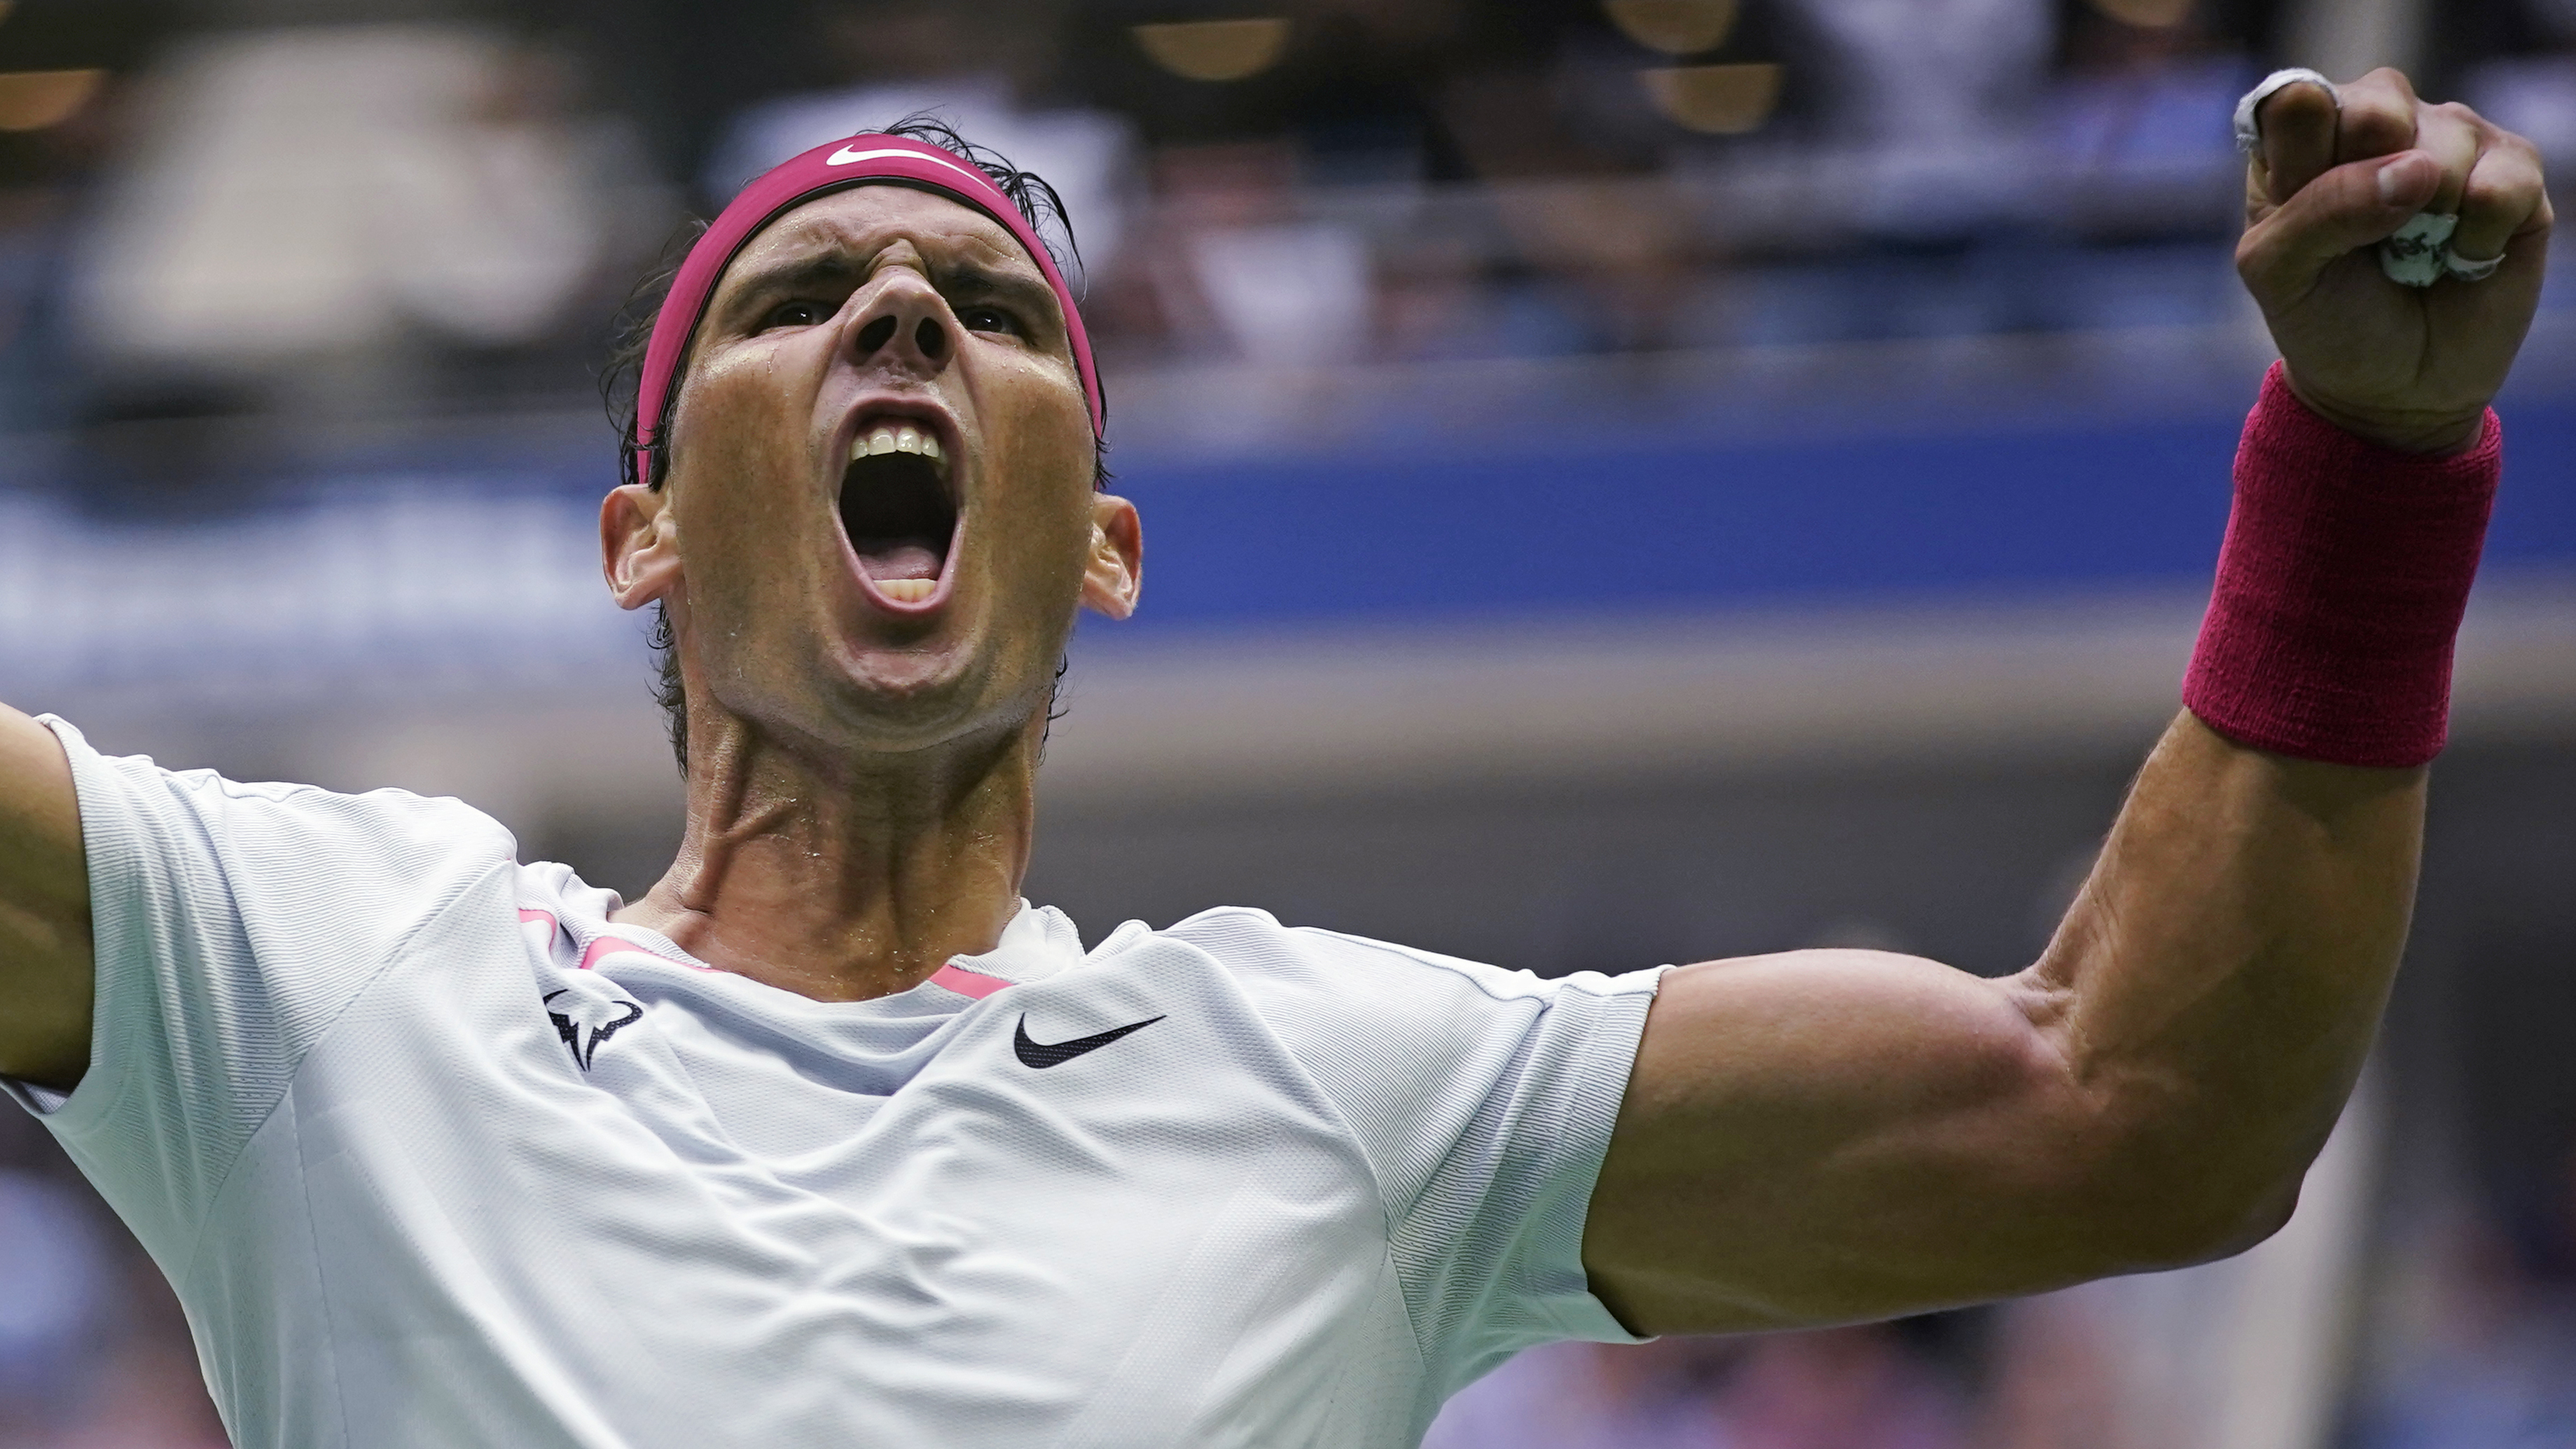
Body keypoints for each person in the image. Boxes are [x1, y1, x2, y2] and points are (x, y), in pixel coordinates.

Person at [0, 68, 2547, 1445]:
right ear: (642, 538)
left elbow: (2139, 1103)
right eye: (804, 302)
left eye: (993, 311)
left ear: (1098, 545)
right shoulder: (326, 967)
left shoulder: (1353, 1089)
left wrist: (2369, 464)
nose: (904, 304)